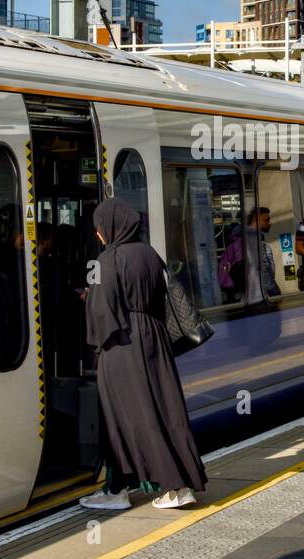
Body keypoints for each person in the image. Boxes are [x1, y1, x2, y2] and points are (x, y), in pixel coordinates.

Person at [80, 197, 208, 511]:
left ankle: (172, 487)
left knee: (129, 416)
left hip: (122, 345)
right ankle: (123, 488)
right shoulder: (150, 254)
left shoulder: (107, 260)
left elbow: (101, 310)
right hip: (154, 338)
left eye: (99, 228)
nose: (98, 234)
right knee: (164, 410)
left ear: (109, 227)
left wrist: (86, 299)